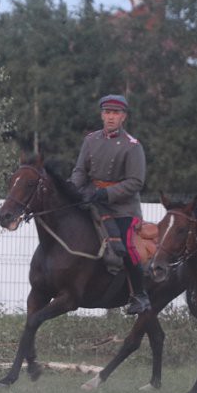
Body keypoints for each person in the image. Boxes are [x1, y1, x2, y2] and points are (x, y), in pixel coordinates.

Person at [69, 94, 150, 315]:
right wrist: (72, 190)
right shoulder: (91, 140)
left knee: (127, 245)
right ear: (101, 115)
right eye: (107, 113)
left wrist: (106, 193)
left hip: (121, 208)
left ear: (123, 117)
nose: (111, 117)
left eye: (115, 113)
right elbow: (80, 171)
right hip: (92, 200)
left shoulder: (132, 146)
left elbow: (135, 182)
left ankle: (139, 294)